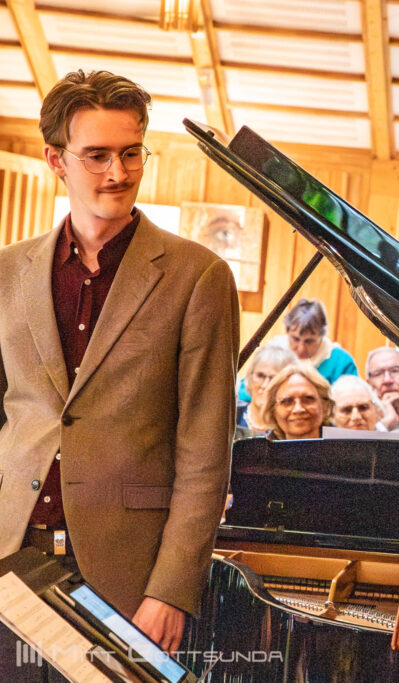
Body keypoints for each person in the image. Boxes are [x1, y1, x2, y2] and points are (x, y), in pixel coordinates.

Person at [0, 69, 238, 661]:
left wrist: (172, 589)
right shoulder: (7, 271)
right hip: (9, 551)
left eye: (132, 153)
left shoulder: (199, 276)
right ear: (57, 160)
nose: (118, 172)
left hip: (128, 574)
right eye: (98, 155)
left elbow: (206, 450)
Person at [238, 298, 357, 402]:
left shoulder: (340, 360)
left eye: (309, 341)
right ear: (287, 331)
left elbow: (352, 399)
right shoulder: (272, 353)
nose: (301, 348)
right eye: (295, 339)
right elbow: (245, 391)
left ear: (322, 336)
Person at [261, 363, 334, 440]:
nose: (298, 409)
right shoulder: (260, 451)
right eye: (287, 402)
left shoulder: (345, 448)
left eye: (308, 400)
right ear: (272, 412)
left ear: (325, 407)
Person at [238, 344, 298, 430]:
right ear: (249, 376)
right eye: (260, 376)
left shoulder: (295, 423)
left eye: (273, 378)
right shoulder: (232, 415)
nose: (265, 385)